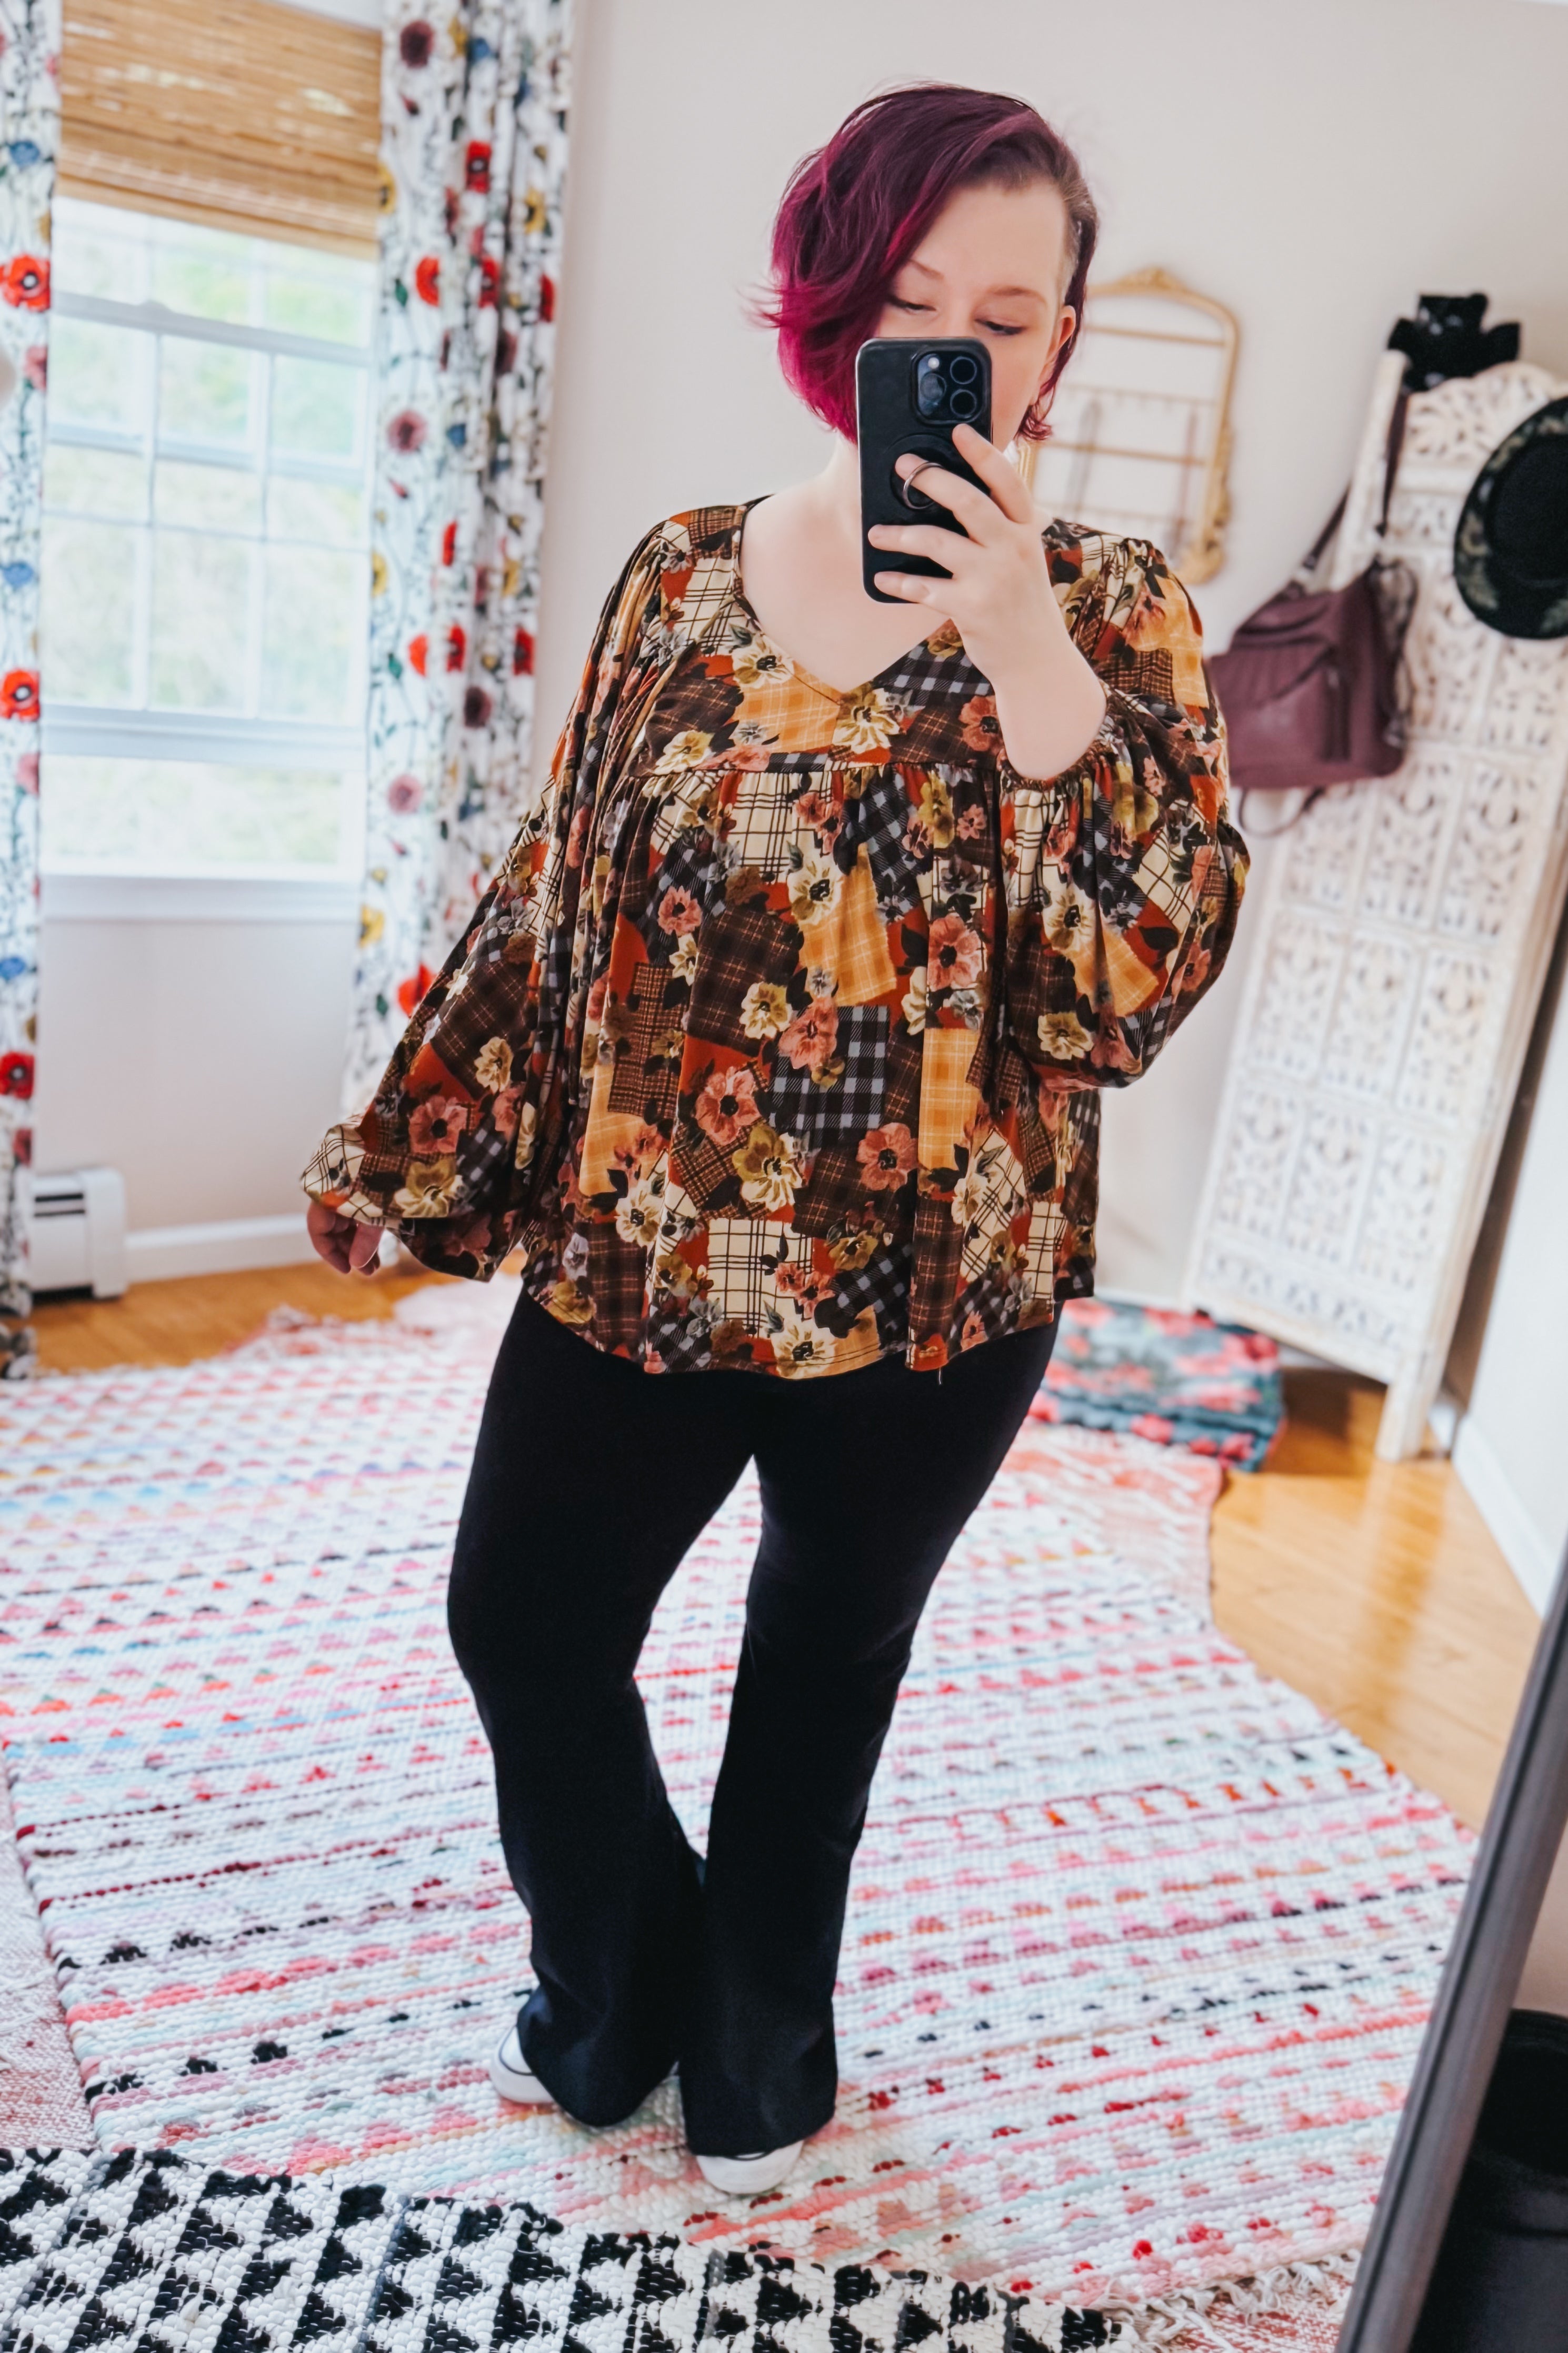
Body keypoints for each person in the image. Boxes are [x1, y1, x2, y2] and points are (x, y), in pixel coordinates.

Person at [303, 82, 1249, 2199]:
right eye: (918, 296)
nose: (966, 348)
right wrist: (417, 1139)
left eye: (1013, 311)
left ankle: (758, 2056)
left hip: (943, 1274)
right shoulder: (674, 573)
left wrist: (1026, 668)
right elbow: (560, 891)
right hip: (647, 1248)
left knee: (822, 1666)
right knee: (524, 1625)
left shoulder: (1111, 609)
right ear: (836, 303)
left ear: (1066, 342)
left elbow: (1126, 990)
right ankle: (622, 1982)